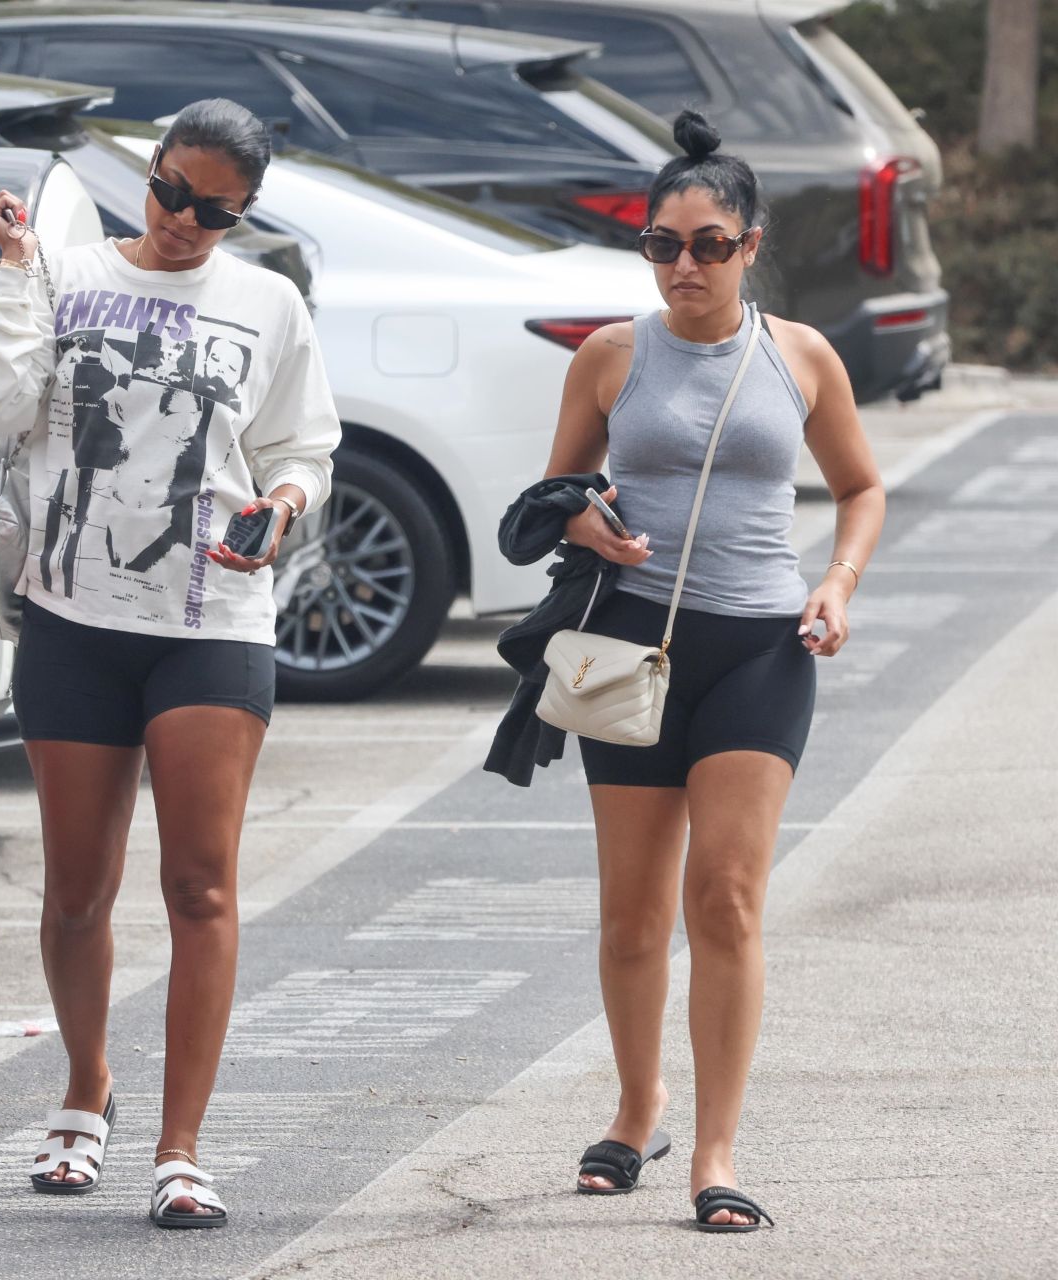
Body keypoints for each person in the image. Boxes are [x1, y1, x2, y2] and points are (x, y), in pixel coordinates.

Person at [0, 98, 341, 1228]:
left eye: (213, 211)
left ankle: (182, 1146)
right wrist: (17, 277)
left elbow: (300, 444)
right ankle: (85, 1089)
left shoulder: (267, 302)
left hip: (213, 617)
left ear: (243, 211)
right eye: (170, 190)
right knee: (77, 888)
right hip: (75, 616)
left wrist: (283, 500)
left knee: (201, 884)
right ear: (151, 170)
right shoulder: (63, 273)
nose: (181, 220)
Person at [535, 109, 884, 1231]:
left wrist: (833, 583)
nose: (683, 264)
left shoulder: (798, 356)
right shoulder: (609, 356)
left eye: (708, 243)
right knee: (633, 918)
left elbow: (861, 488)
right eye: (662, 243)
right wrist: (585, 526)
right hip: (629, 651)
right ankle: (640, 1106)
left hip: (758, 646)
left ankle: (716, 1153)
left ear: (750, 243)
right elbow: (555, 500)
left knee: (723, 901)